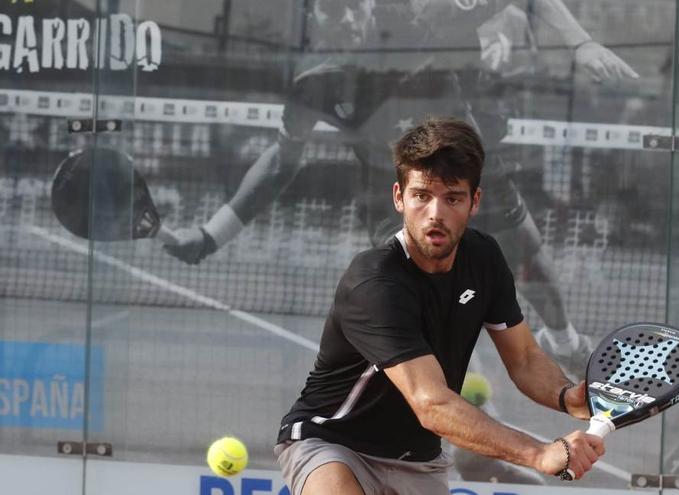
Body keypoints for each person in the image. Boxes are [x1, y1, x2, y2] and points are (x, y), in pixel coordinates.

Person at [163, 0, 640, 378]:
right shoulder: (316, 84)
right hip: (391, 194)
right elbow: (279, 165)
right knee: (415, 306)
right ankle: (444, 411)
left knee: (531, 266)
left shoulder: (424, 19)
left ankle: (567, 344)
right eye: (333, 10)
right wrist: (210, 236)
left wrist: (581, 45)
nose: (347, 15)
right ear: (318, 22)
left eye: (354, 5)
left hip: (468, 167)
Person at [272, 117, 604, 495]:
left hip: (420, 460)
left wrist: (566, 396)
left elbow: (525, 358)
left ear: (474, 202)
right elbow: (431, 404)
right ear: (399, 197)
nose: (435, 213)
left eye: (452, 197)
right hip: (333, 442)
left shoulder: (484, 259)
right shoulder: (375, 282)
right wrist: (538, 453)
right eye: (421, 195)